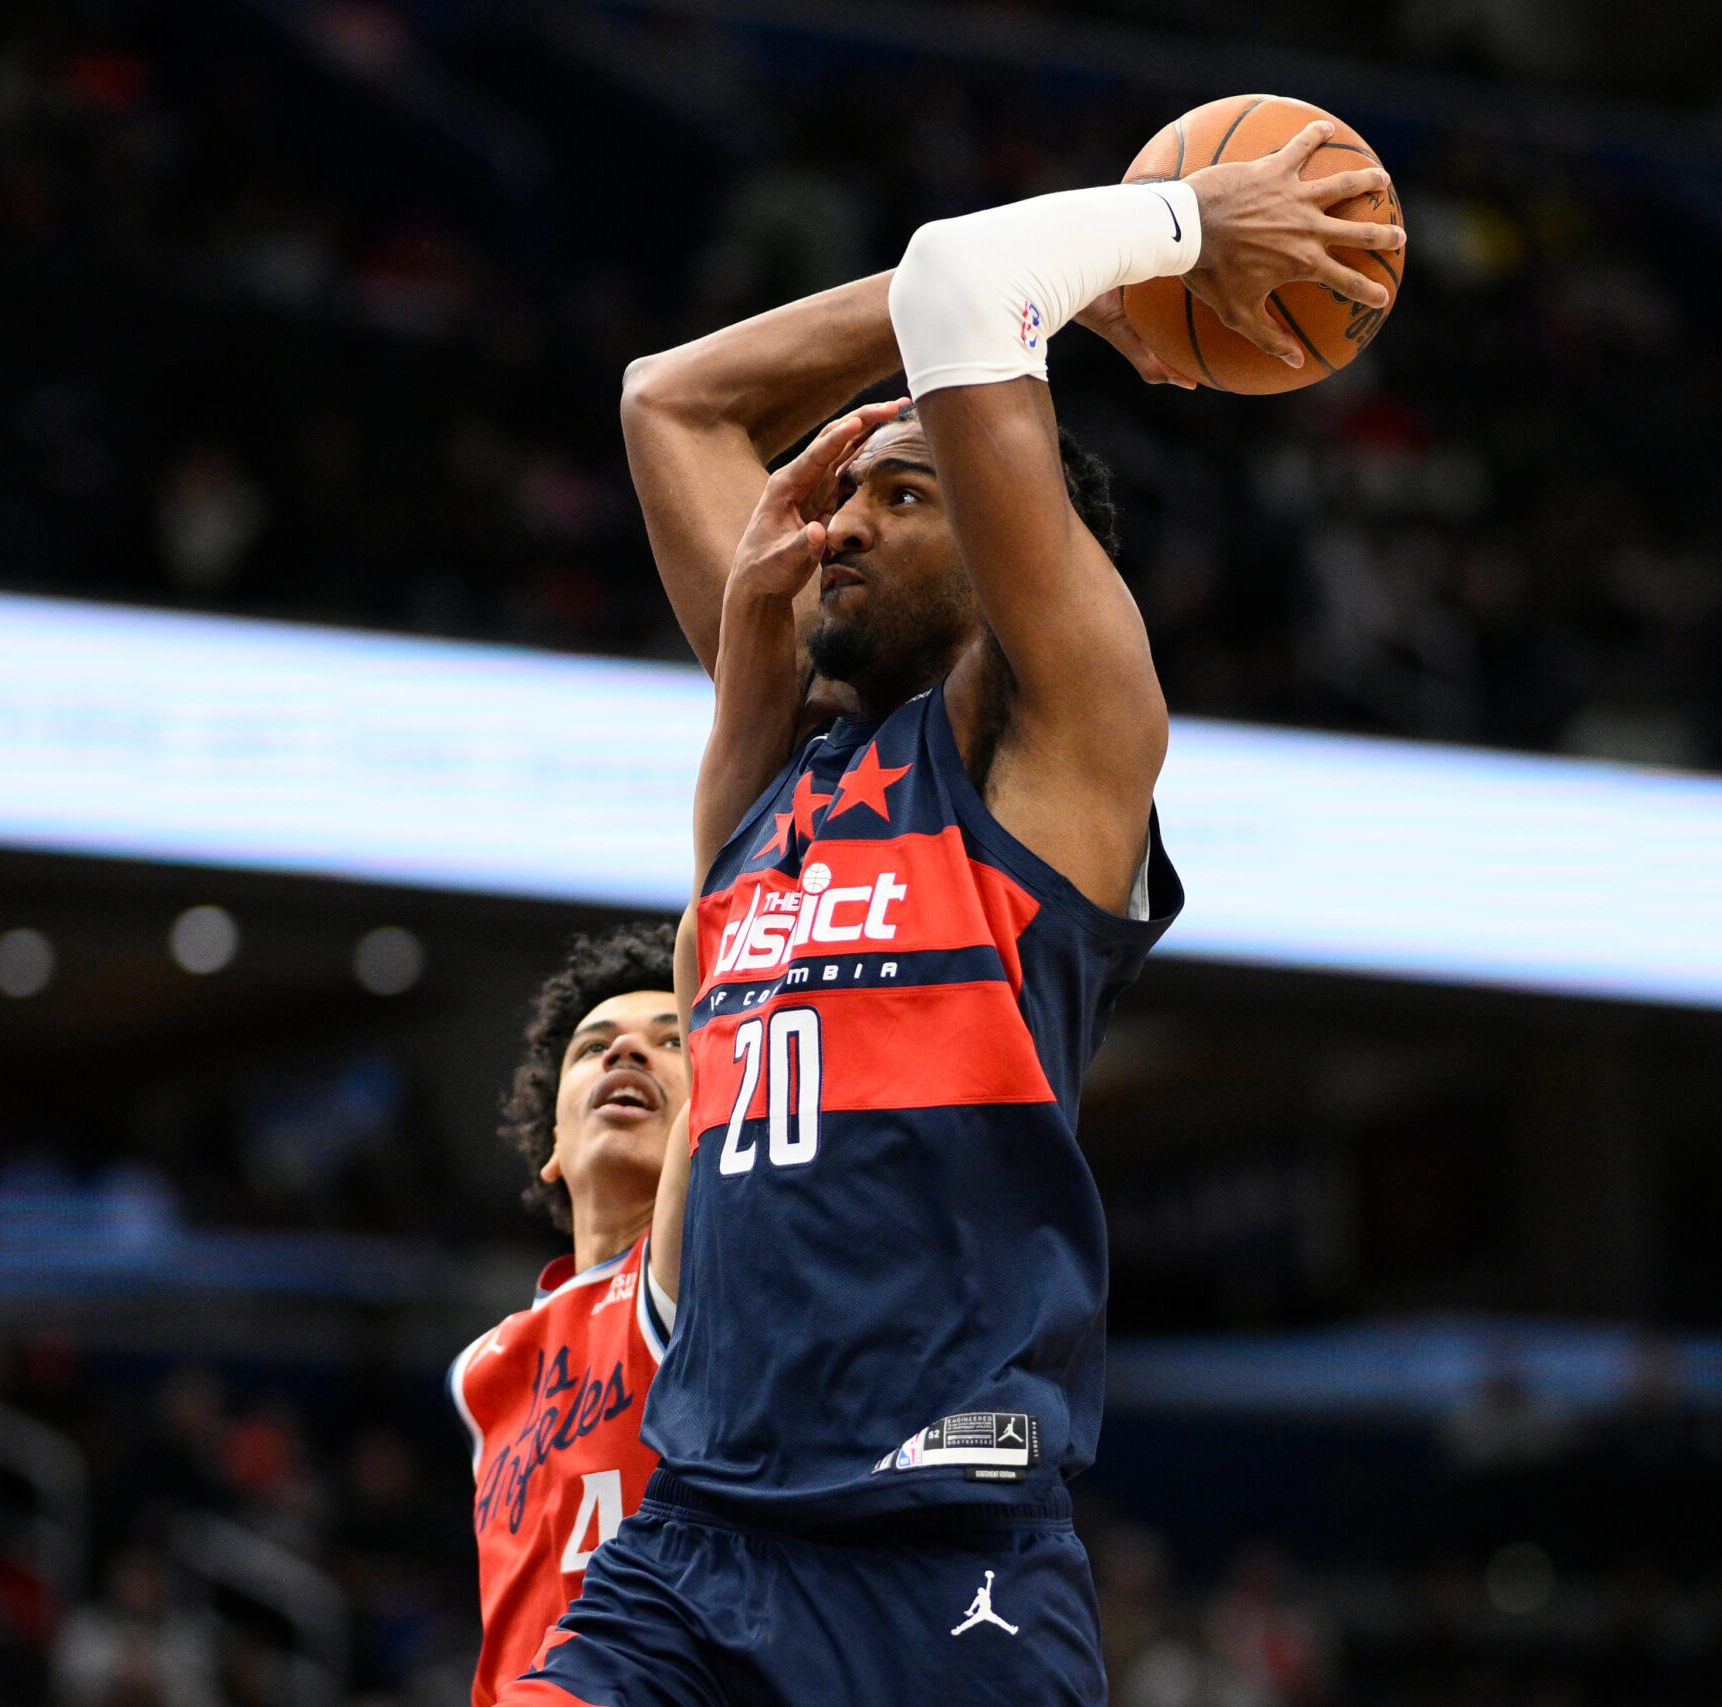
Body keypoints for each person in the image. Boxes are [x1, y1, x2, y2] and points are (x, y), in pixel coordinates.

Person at [508, 125, 1401, 1707]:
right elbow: (674, 396)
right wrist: (1060, 304)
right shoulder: (788, 753)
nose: (834, 522)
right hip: (697, 1529)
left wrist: (1163, 231)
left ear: (1012, 555)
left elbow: (963, 282)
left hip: (942, 1551)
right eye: (836, 491)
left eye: (901, 492)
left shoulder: (1060, 743)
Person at [448, 923, 685, 1707]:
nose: (625, 1053)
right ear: (552, 1139)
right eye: (593, 1046)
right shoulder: (482, 1368)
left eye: (671, 1039)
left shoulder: (710, 1280)